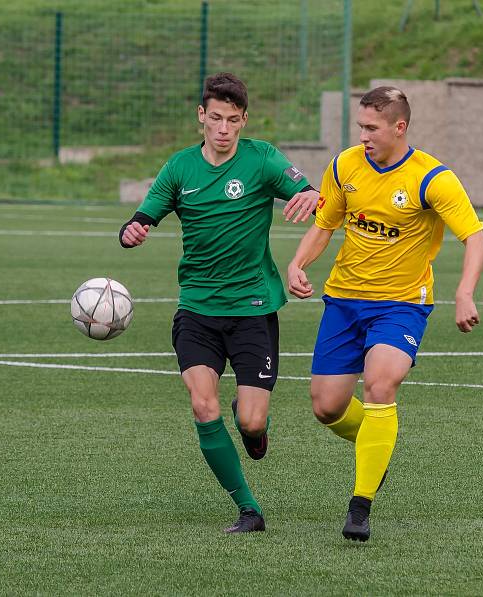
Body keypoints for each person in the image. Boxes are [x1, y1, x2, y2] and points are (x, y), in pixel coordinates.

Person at [119, 72, 319, 533]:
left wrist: (309, 194)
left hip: (252, 310)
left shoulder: (262, 159)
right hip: (197, 311)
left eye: (232, 120)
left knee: (251, 422)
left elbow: (308, 191)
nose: (223, 128)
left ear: (244, 120)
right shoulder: (179, 168)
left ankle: (250, 423)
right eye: (215, 119)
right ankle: (249, 508)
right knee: (202, 404)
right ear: (201, 118)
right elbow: (142, 217)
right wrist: (133, 231)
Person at [286, 86, 483, 541]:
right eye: (360, 126)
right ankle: (378, 441)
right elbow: (325, 225)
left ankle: (360, 507)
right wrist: (299, 265)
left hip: (401, 305)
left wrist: (465, 292)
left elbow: (474, 238)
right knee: (326, 406)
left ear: (400, 127)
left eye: (372, 128)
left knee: (381, 383)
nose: (363, 136)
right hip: (343, 301)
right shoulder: (344, 166)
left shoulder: (432, 178)